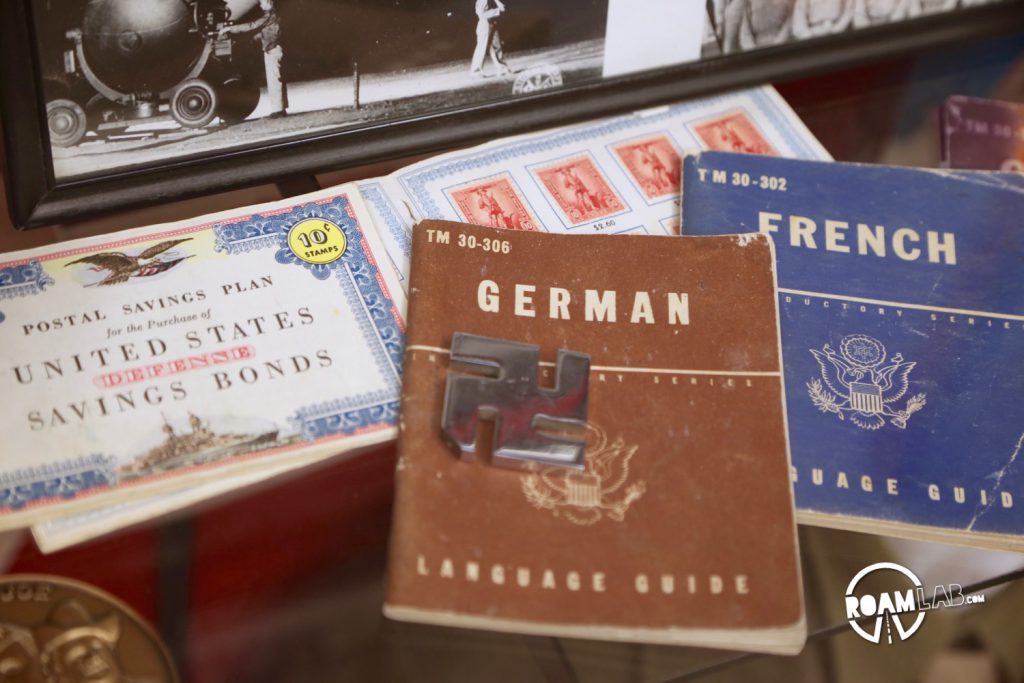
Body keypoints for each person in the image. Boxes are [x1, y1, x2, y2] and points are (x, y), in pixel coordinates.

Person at [221, 0, 288, 118]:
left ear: (268, 3)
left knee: (274, 80)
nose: (261, 5)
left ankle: (278, 111)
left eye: (262, 3)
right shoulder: (274, 16)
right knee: (277, 79)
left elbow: (252, 25)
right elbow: (264, 33)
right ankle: (281, 108)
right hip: (274, 49)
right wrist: (249, 39)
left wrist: (230, 29)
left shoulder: (269, 15)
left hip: (272, 51)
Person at [470, 0, 512, 77]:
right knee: (482, 48)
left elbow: (503, 8)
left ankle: (502, 67)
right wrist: (496, 11)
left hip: (492, 23)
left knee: (496, 46)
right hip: (484, 23)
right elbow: (481, 14)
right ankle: (476, 71)